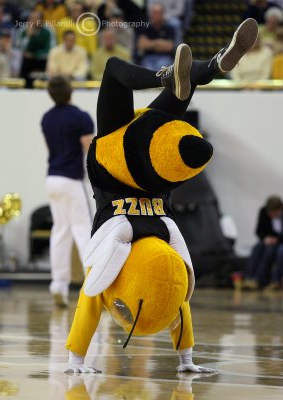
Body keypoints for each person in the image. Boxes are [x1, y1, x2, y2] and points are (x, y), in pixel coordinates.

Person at [65, 19, 259, 373]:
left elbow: (179, 290)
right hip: (131, 160)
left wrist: (187, 359)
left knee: (153, 90)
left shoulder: (160, 242)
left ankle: (195, 72)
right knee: (117, 73)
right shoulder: (150, 245)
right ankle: (195, 70)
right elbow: (95, 297)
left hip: (140, 165)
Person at [41, 76, 94, 307]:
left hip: (52, 178)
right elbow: (90, 151)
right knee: (83, 230)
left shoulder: (46, 118)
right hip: (72, 181)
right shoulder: (81, 117)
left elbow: (51, 149)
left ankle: (58, 284)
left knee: (60, 231)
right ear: (70, 90)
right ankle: (93, 287)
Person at [243, 196, 283, 290]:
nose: (270, 215)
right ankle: (250, 278)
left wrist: (277, 240)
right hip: (269, 241)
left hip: (280, 241)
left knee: (277, 251)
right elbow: (259, 231)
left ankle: (272, 281)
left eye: (273, 212)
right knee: (257, 248)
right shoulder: (263, 211)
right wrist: (265, 238)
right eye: (269, 212)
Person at [15, 10, 55, 86]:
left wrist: (35, 55)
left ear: (42, 20)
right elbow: (20, 49)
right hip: (27, 60)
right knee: (22, 59)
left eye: (35, 19)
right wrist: (28, 37)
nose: (32, 21)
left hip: (43, 59)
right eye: (31, 19)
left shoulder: (48, 30)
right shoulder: (23, 30)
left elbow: (50, 48)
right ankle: (23, 84)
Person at [137, 3, 175, 71]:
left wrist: (150, 44)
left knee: (161, 68)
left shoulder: (169, 28)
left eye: (157, 13)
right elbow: (141, 45)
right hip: (148, 57)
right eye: (153, 13)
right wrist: (159, 43)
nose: (155, 16)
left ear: (162, 14)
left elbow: (169, 47)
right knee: (147, 70)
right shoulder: (146, 27)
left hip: (164, 57)